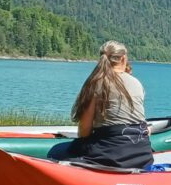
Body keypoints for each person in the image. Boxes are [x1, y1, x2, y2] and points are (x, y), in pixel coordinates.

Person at [48, 40, 153, 170]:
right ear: (123, 58)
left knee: (55, 151)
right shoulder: (137, 83)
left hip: (110, 156)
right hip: (143, 156)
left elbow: (84, 132)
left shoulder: (96, 83)